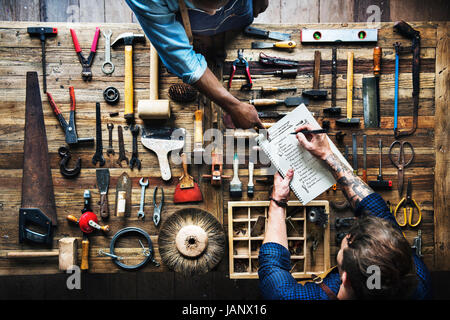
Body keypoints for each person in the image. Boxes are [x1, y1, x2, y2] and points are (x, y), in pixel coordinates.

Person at [259, 123, 432, 300]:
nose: (347, 236)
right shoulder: (416, 278)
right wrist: (327, 156)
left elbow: (272, 269)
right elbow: (375, 208)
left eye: (346, 241)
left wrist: (278, 201)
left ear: (345, 279)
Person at [125, 0, 268, 129]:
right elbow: (183, 60)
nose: (212, 13)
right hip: (186, 20)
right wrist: (233, 106)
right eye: (197, 4)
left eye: (220, 4)